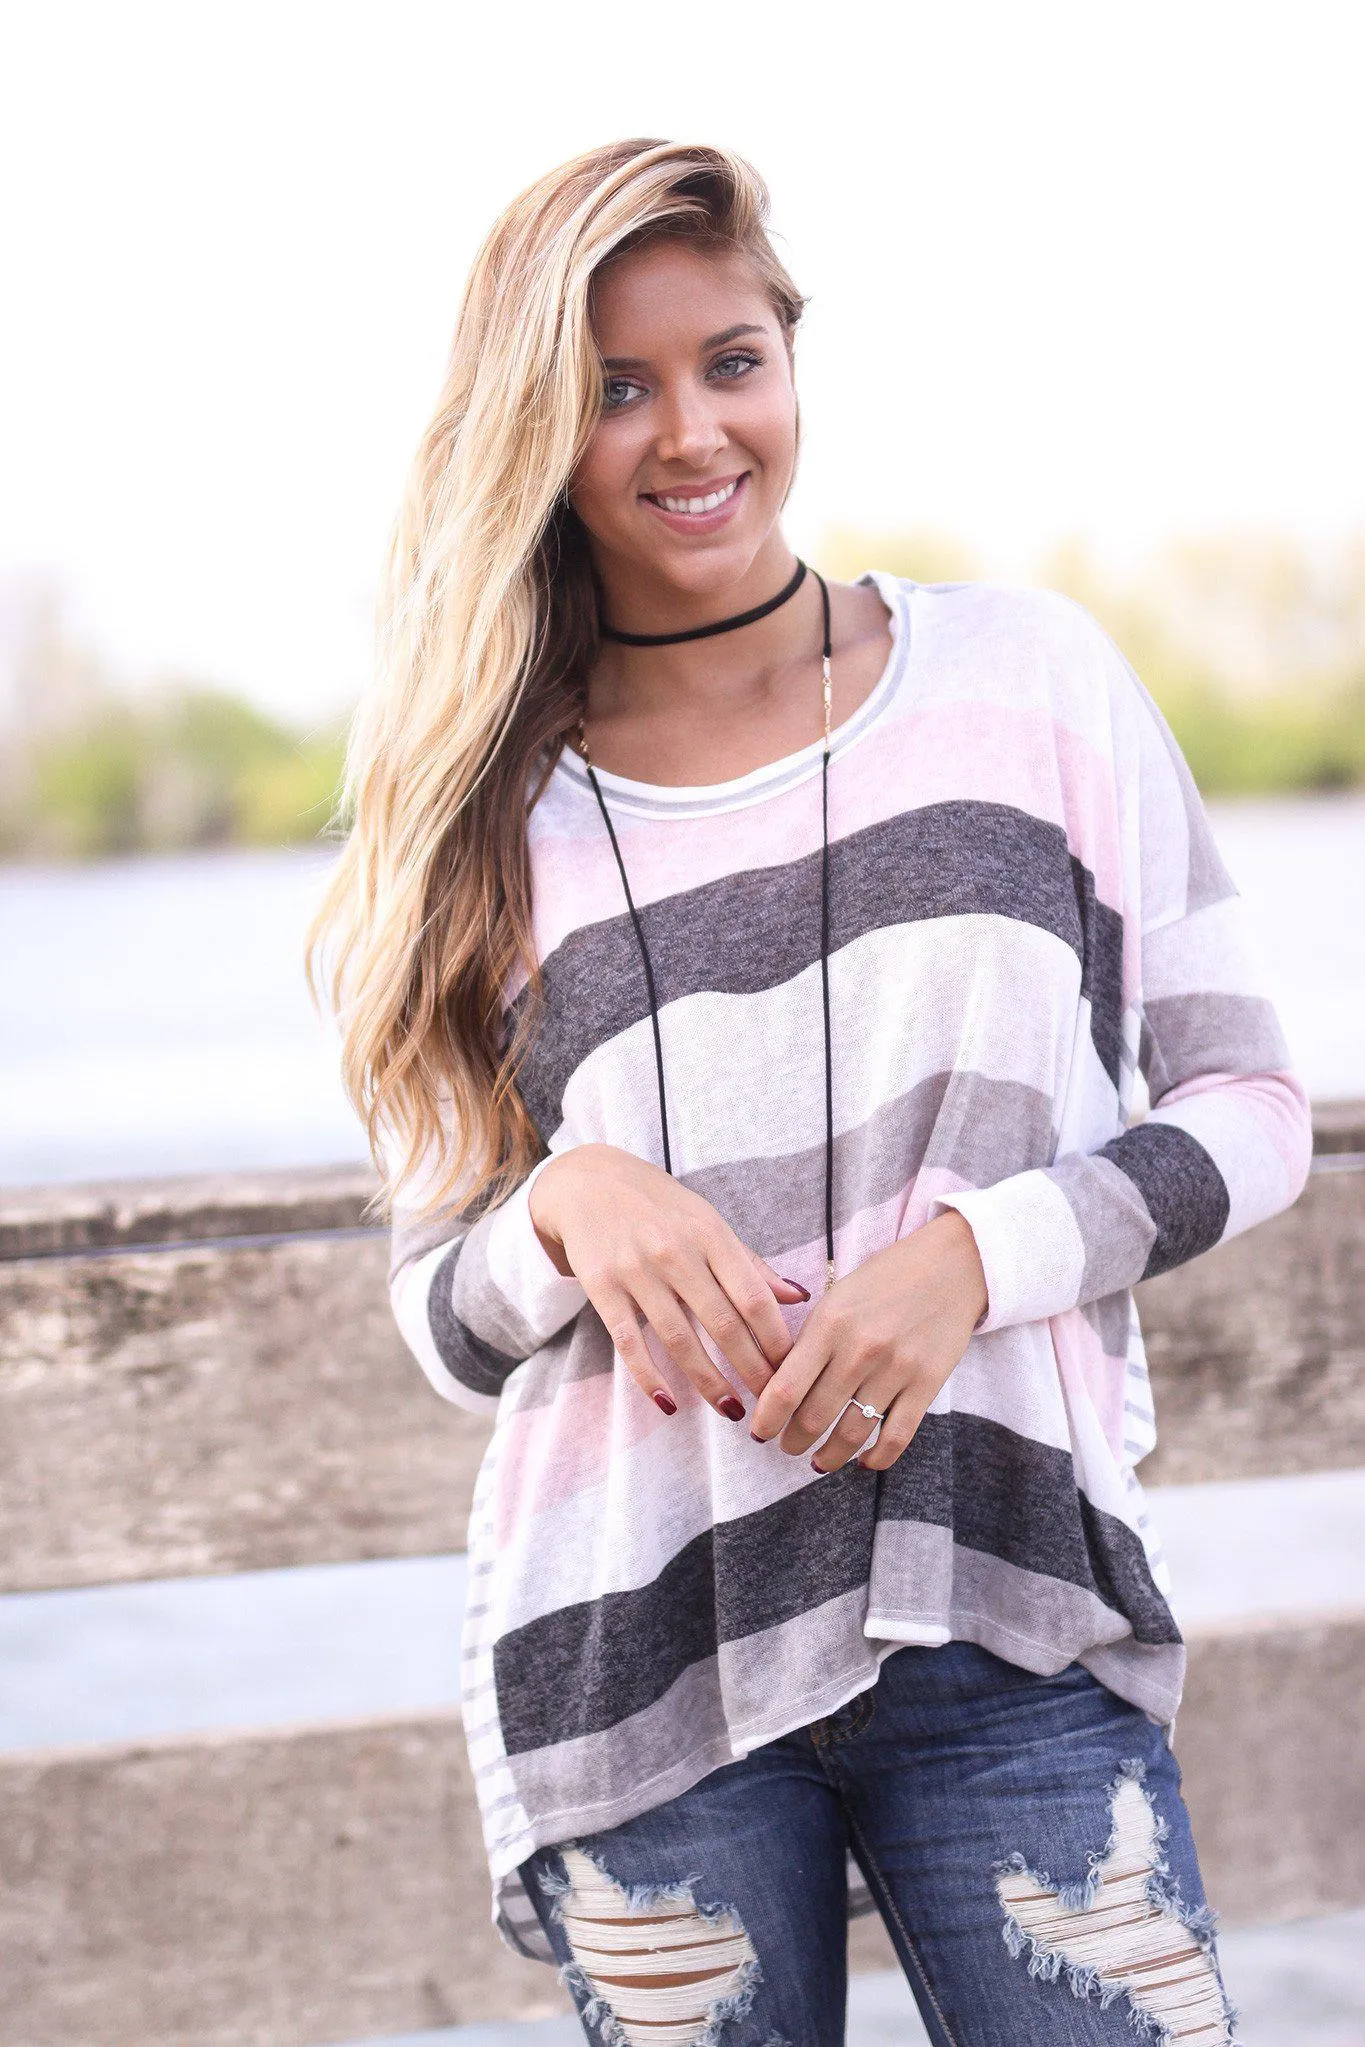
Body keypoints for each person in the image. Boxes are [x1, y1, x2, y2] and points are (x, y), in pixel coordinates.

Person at [308, 139, 1310, 2047]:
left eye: (732, 358)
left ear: (792, 358)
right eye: (617, 387)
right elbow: (445, 1310)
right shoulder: (480, 817)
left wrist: (980, 1257)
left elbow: (1253, 1100)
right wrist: (563, 1208)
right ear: (537, 427)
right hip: (637, 1652)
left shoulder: (1029, 681)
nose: (692, 430)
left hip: (1007, 1587)